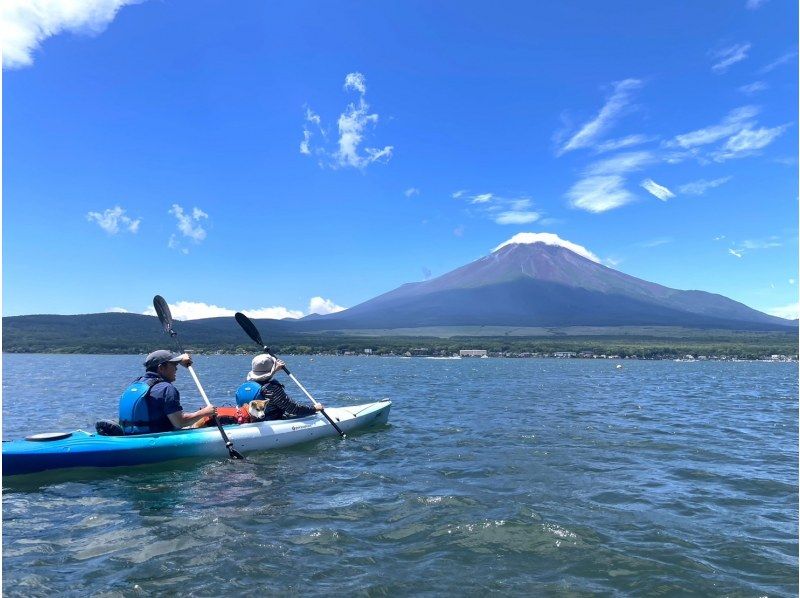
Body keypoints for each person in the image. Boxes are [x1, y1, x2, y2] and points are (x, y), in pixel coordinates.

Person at [118, 350, 217, 435]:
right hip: (158, 438)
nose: (176, 368)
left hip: (133, 435)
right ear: (161, 368)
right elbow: (180, 423)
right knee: (205, 420)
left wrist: (180, 359)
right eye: (173, 365)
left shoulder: (137, 383)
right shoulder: (166, 388)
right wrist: (204, 412)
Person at [236, 353, 324, 420]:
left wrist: (273, 369)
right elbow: (292, 408)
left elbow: (264, 376)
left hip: (249, 419)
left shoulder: (245, 386)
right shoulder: (271, 388)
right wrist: (314, 409)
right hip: (270, 420)